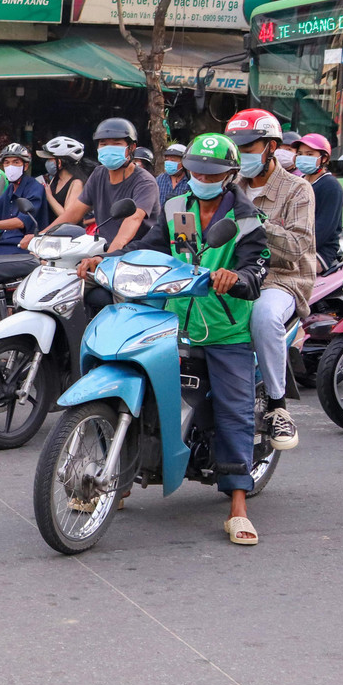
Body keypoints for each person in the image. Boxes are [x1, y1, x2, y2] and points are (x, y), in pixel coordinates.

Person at [79, 133, 270, 546]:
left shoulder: (246, 216)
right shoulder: (175, 206)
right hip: (173, 318)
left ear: (230, 175)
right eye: (197, 170)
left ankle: (237, 504)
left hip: (224, 328)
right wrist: (105, 260)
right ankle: (118, 480)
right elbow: (150, 250)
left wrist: (235, 278)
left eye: (212, 173)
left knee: (234, 409)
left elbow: (257, 268)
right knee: (145, 389)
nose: (202, 177)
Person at [228, 108, 314, 452]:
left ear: (271, 147)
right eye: (238, 148)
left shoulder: (298, 189)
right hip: (235, 274)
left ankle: (278, 406)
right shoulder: (229, 185)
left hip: (282, 279)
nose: (242, 154)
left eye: (249, 147)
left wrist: (254, 221)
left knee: (263, 316)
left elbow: (296, 247)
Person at [42, 117, 159, 253]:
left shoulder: (144, 182)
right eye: (103, 144)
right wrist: (42, 236)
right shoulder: (99, 174)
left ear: (131, 148)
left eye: (116, 144)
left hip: (136, 255)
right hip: (104, 250)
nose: (109, 149)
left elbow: (133, 221)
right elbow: (74, 213)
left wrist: (106, 258)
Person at [0, 143, 45, 254]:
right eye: (7, 162)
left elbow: (20, 222)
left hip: (24, 245)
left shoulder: (34, 188)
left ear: (25, 166)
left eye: (16, 162)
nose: (11, 166)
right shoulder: (11, 188)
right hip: (4, 240)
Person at [293, 134, 343, 269]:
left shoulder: (331, 186)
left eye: (309, 154)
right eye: (300, 154)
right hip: (292, 245)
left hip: (319, 251)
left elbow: (323, 229)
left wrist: (294, 249)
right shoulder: (297, 182)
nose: (303, 158)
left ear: (324, 158)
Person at [37, 136, 89, 219]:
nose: (47, 163)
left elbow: (66, 216)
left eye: (50, 159)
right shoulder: (55, 179)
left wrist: (49, 196)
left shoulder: (76, 183)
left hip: (66, 231)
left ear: (59, 162)